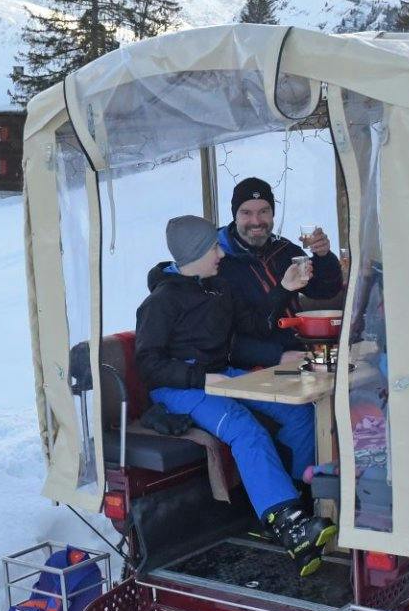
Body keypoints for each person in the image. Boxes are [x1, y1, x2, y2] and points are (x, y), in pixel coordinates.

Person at [135, 214, 337, 575]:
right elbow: (149, 363)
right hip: (178, 387)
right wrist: (200, 378)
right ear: (197, 251)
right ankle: (288, 526)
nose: (221, 254)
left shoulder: (216, 287)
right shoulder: (161, 302)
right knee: (245, 429)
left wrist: (285, 289)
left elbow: (253, 323)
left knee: (298, 413)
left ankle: (294, 497)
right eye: (214, 247)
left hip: (219, 375)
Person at [214, 176, 344, 362]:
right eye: (246, 213)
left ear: (273, 213)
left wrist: (323, 257)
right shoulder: (218, 262)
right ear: (235, 215)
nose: (256, 221)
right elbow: (231, 335)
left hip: (303, 350)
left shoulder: (284, 251)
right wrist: (278, 357)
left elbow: (325, 291)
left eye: (264, 211)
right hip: (256, 367)